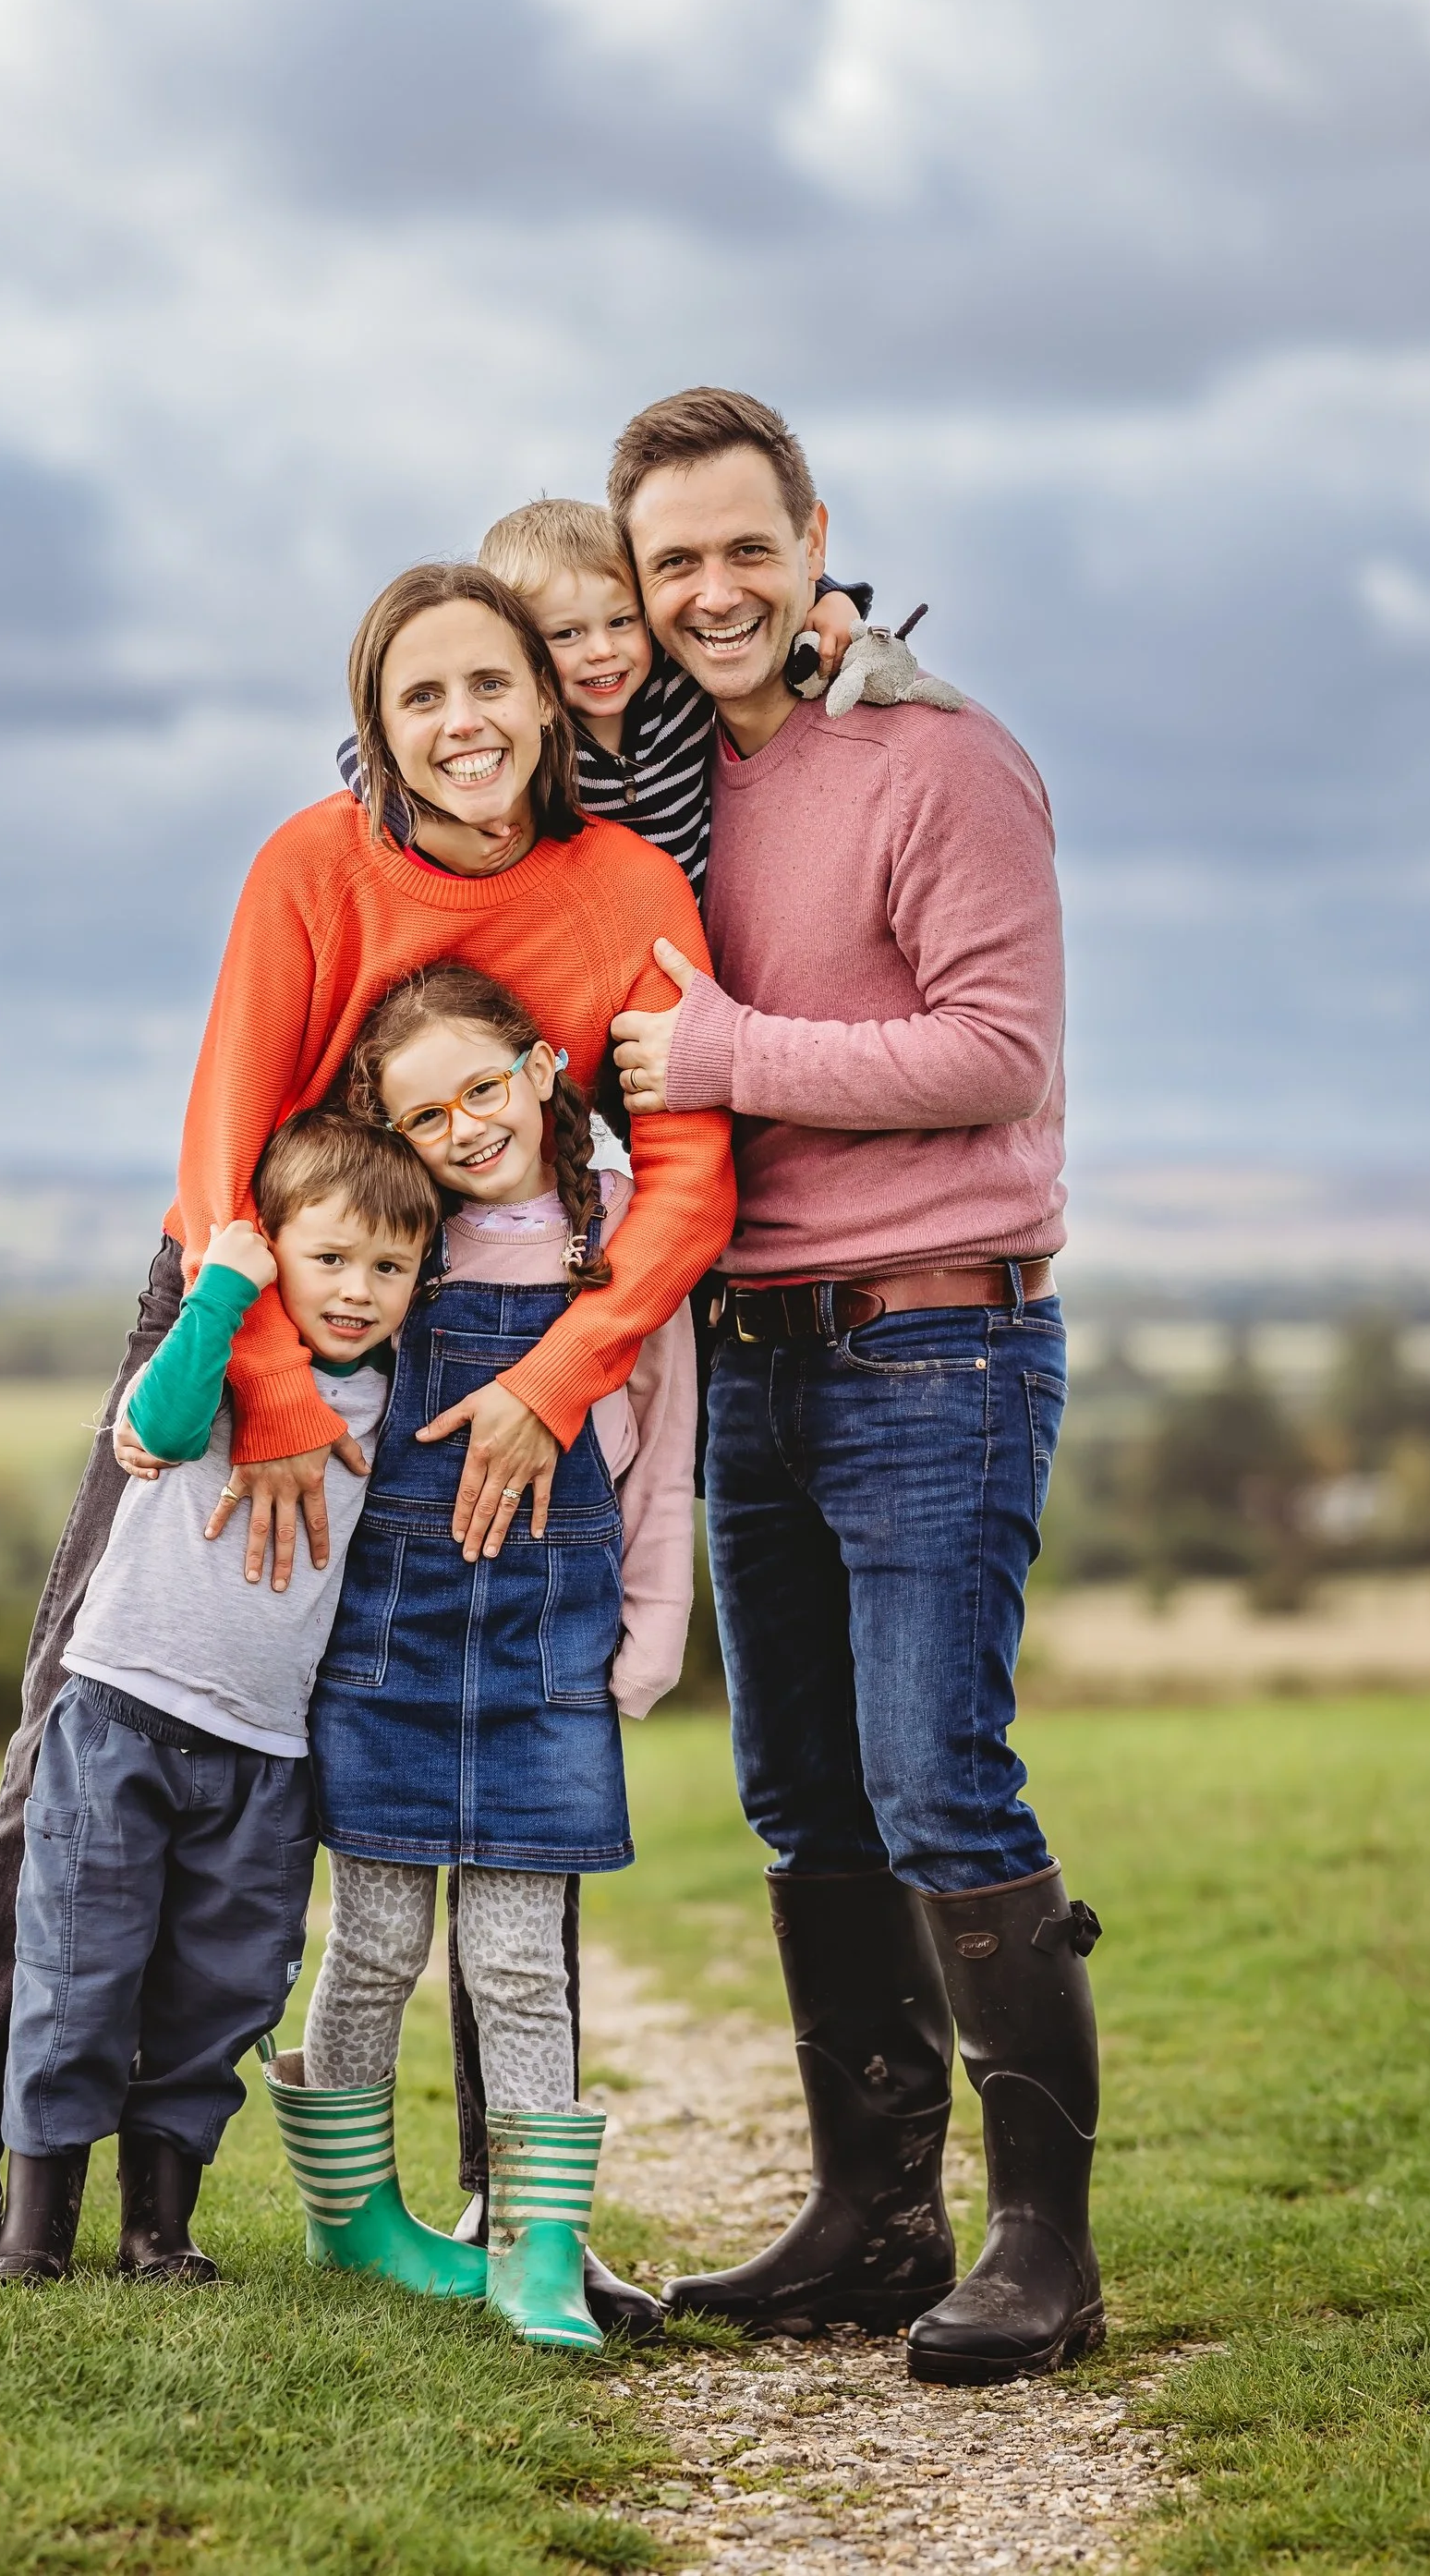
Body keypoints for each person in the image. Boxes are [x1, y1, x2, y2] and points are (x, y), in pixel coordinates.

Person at [0, 560, 733, 2341]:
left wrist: (567, 1373)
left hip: (505, 1347)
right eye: (420, 694)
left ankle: (520, 2212)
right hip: (248, 1306)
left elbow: (688, 1168)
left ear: (549, 700)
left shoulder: (632, 888)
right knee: (89, 1711)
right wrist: (262, 1377)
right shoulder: (311, 864)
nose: (464, 722)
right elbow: (224, 1133)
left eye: (491, 682)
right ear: (377, 720)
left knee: (515, 1735)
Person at [607, 384, 1103, 2386]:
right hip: (751, 1355)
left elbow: (994, 1050)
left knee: (931, 1778)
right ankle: (872, 2217)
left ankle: (1042, 2251)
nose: (710, 589)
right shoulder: (668, 783)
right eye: (671, 563)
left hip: (934, 1336)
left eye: (743, 545)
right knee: (801, 1791)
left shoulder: (943, 758)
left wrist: (732, 1054)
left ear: (815, 532)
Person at [262, 964, 697, 2352]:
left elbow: (666, 1444)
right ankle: (353, 2216)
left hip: (549, 1647)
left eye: (483, 1088)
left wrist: (651, 1629)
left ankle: (537, 2247)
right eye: (426, 1112)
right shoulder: (398, 1242)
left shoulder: (617, 1224)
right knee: (377, 1938)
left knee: (518, 1959)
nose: (462, 1127)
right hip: (388, 1644)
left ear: (542, 1067)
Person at [0, 1108, 438, 2287]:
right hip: (122, 1717)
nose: (358, 1289)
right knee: (80, 1970)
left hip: (264, 1754)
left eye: (389, 1267)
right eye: (329, 1258)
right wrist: (222, 1292)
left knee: (223, 1989)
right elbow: (158, 1427)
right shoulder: (222, 1358)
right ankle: (32, 2236)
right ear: (271, 1249)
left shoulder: (398, 1403)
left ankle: (158, 2233)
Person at [337, 495, 879, 893]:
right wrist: (429, 828)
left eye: (621, 621)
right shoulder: (530, 733)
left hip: (702, 922)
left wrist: (832, 603)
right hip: (594, 932)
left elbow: (752, 609)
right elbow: (361, 750)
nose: (603, 651)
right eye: (567, 634)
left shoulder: (676, 681)